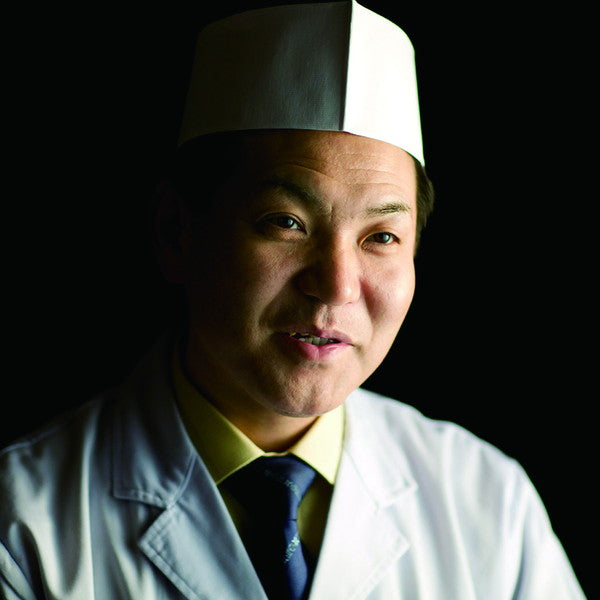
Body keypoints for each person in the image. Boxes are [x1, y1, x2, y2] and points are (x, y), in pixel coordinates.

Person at [0, 1, 586, 599]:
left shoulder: (488, 503)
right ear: (177, 233)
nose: (337, 285)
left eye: (381, 237)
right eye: (286, 223)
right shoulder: (23, 527)